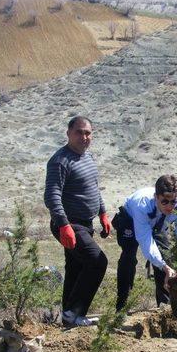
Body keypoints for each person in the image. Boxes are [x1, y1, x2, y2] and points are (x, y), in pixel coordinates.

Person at [44, 116, 111, 327]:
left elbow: (93, 187)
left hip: (86, 223)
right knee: (97, 261)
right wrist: (64, 225)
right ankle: (75, 312)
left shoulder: (87, 157)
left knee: (76, 267)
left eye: (88, 133)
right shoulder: (59, 161)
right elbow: (52, 196)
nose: (84, 137)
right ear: (68, 133)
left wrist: (102, 213)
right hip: (69, 224)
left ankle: (68, 317)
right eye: (79, 132)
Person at [113, 175, 177, 311]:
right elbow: (146, 243)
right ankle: (122, 305)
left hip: (158, 222)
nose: (170, 206)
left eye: (173, 202)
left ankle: (164, 306)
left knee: (165, 257)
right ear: (156, 197)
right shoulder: (141, 206)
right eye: (165, 202)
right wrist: (164, 266)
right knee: (129, 258)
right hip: (131, 219)